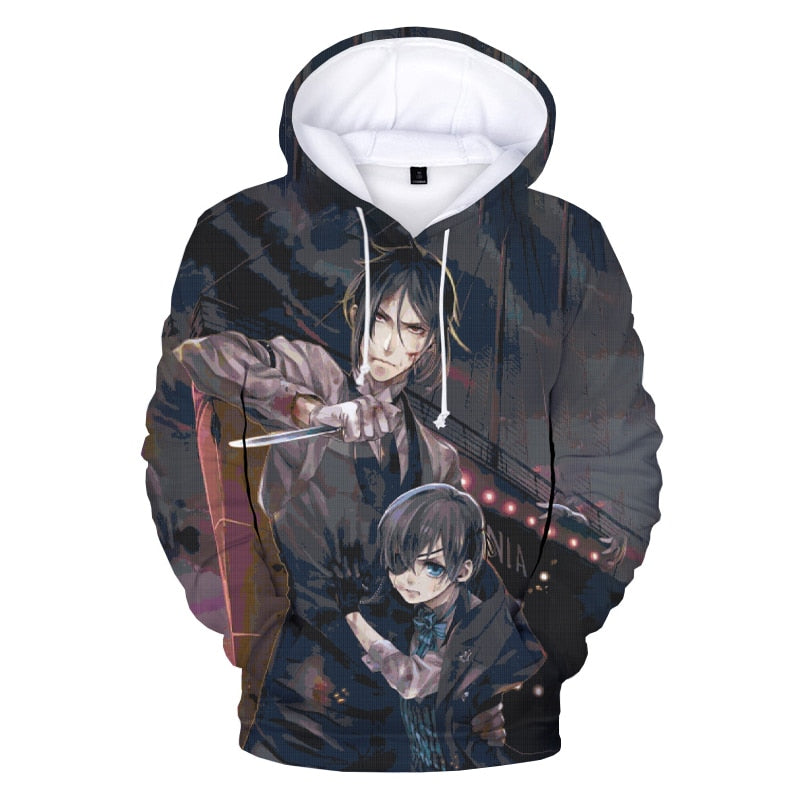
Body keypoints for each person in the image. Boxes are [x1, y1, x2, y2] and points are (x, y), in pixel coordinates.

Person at [173, 243, 503, 769]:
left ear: (428, 344)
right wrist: (310, 411)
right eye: (381, 319)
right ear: (359, 313)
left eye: (412, 329)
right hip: (306, 684)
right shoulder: (316, 374)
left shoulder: (437, 459)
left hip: (394, 700)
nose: (389, 343)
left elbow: (457, 599)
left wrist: (473, 691)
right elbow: (202, 355)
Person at [338, 483, 546, 770]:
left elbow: (410, 681)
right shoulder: (422, 609)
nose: (408, 578)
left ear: (463, 570)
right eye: (399, 560)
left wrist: (353, 617)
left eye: (432, 567)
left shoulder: (478, 628)